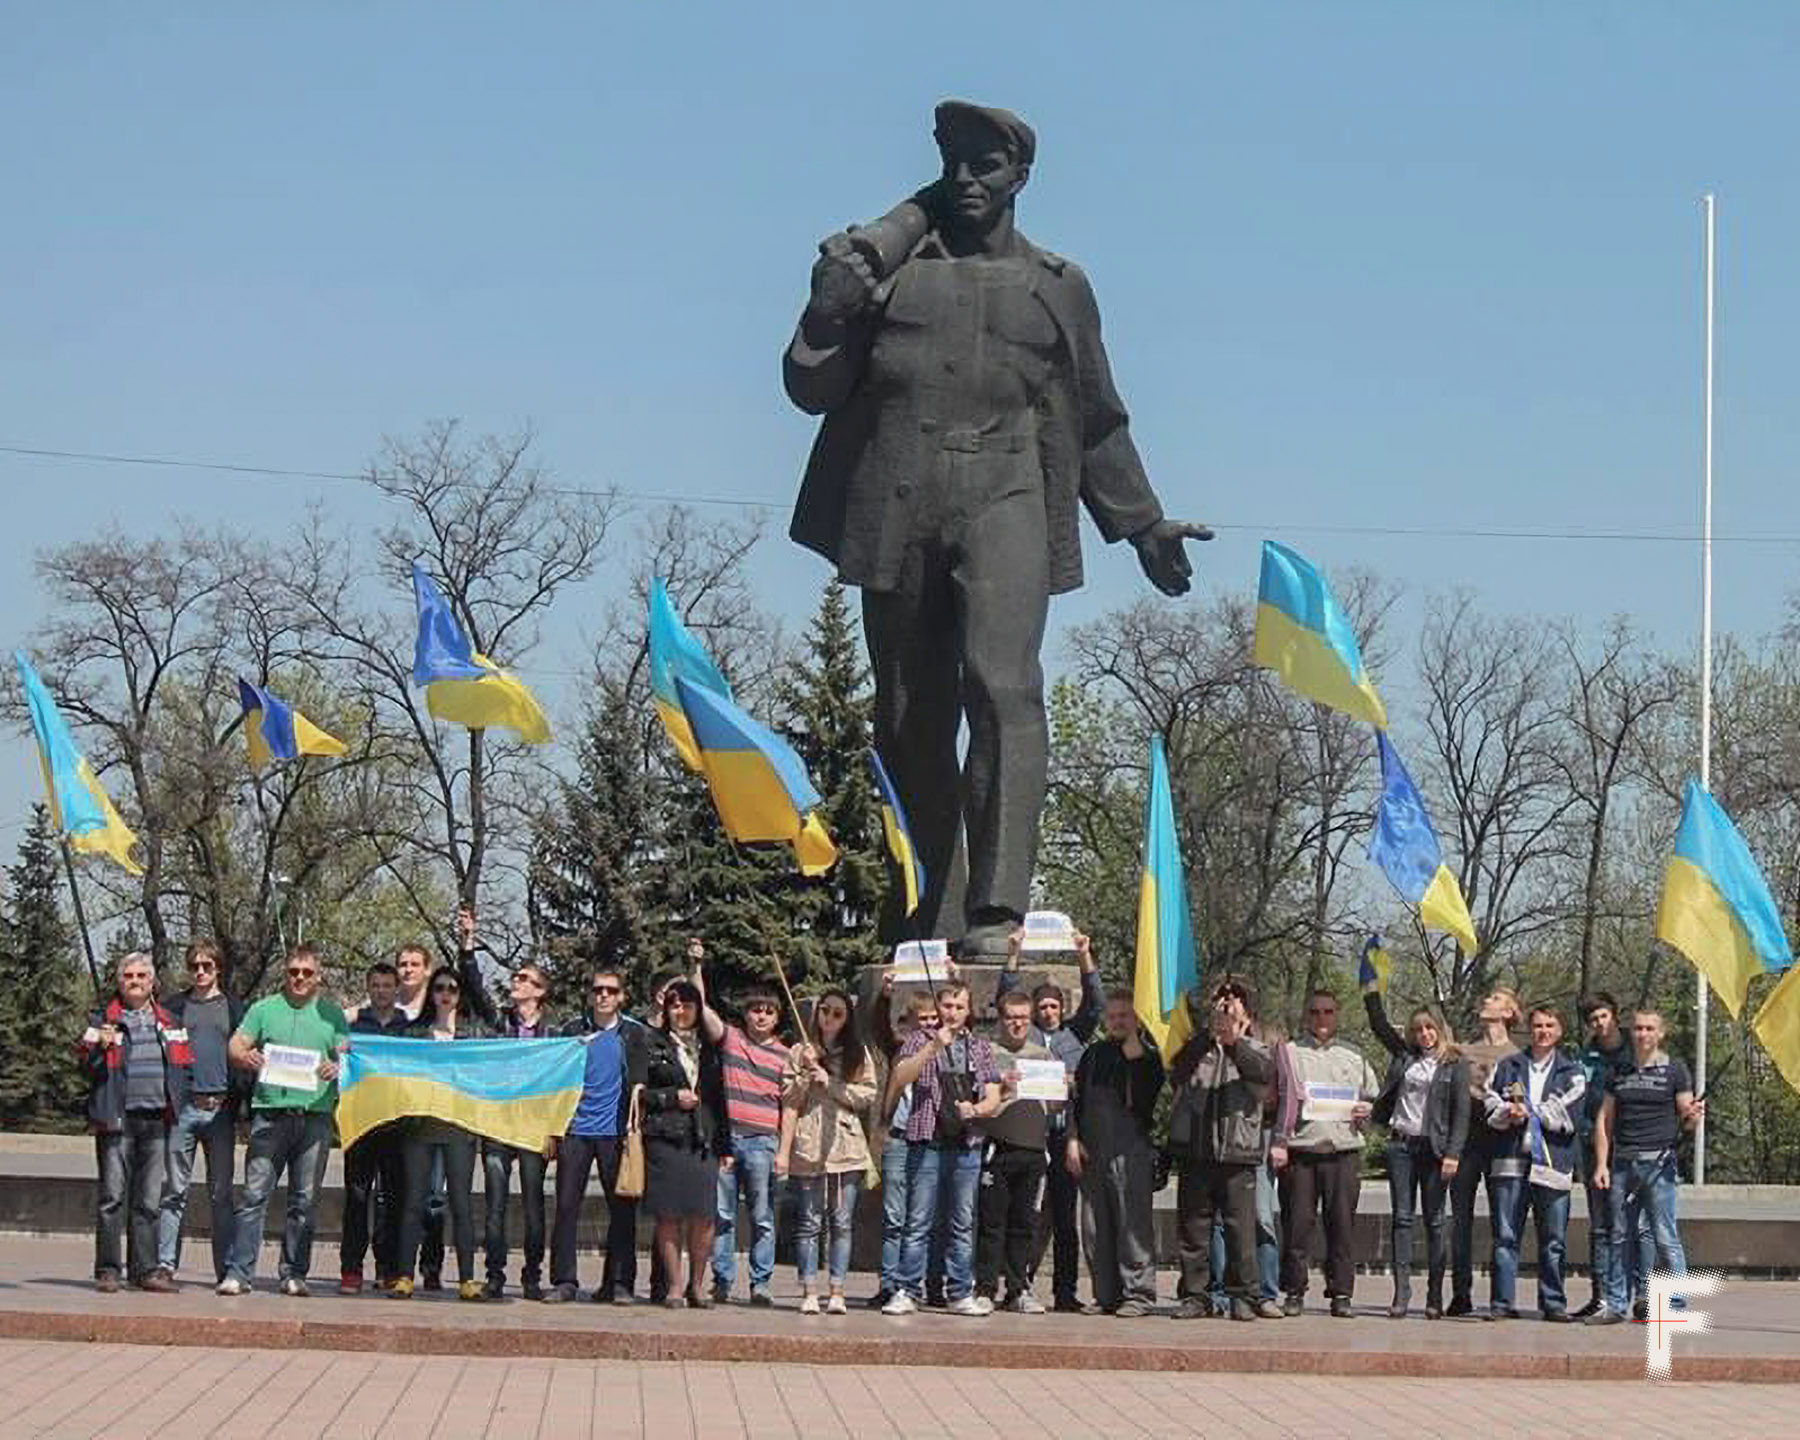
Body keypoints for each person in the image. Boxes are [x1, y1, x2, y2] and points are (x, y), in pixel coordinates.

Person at [783, 99, 1209, 957]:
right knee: (908, 713)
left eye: (988, 166)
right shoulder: (889, 271)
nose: (969, 181)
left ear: (1020, 177)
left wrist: (1142, 523)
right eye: (957, 164)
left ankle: (997, 907)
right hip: (897, 501)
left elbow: (1095, 420)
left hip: (1007, 494)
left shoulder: (1057, 286)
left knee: (1003, 684)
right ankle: (929, 909)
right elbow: (812, 389)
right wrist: (826, 313)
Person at [219, 945, 347, 1296]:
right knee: (253, 1195)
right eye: (293, 972)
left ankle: (294, 1272)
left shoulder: (332, 1014)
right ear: (284, 974)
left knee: (305, 1201)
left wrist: (337, 1067)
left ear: (318, 976)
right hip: (270, 1116)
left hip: (315, 1119)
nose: (299, 978)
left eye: (307, 972)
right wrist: (245, 1056)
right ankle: (239, 1272)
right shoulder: (263, 1009)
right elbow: (234, 1046)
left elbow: (348, 1056)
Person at [883, 981, 1003, 1316]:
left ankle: (960, 1291)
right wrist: (932, 1048)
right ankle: (907, 1289)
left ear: (968, 1012)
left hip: (966, 1143)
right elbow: (902, 1075)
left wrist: (977, 1110)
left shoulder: (979, 1047)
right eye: (946, 1006)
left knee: (962, 1222)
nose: (952, 1013)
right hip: (927, 1140)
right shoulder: (919, 1039)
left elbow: (993, 1093)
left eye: (959, 1007)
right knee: (918, 1220)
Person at [997, 927, 1102, 1311]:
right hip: (1026, 1136)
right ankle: (1017, 1286)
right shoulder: (1024, 1039)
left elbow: (1096, 1002)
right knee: (1024, 1216)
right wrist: (1013, 954)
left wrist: (1083, 955)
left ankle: (1065, 1291)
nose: (1047, 1012)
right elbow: (1004, 998)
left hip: (1064, 1137)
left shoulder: (1075, 1036)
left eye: (1053, 1006)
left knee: (1063, 1219)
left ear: (1062, 1008)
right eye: (1041, 1006)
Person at [80, 951, 192, 1293]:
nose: (135, 982)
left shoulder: (171, 1022)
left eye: (141, 976)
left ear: (152, 981)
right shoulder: (101, 1020)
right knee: (112, 1196)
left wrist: (179, 1100)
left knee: (148, 1200)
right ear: (119, 982)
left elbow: (184, 1066)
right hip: (117, 1120)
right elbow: (82, 1062)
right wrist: (98, 1045)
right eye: (128, 976)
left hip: (157, 1120)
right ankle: (109, 1269)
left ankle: (144, 1269)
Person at [1168, 978, 1279, 1322]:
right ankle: (1195, 1296)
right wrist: (1210, 1034)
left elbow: (1262, 1075)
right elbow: (1178, 1071)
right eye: (1221, 1001)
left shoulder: (1257, 1047)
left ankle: (1243, 1296)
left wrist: (1233, 1041)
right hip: (1197, 1150)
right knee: (1194, 1230)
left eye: (1234, 1002)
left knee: (1240, 1230)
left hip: (1239, 1151)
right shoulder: (1198, 1045)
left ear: (1247, 1010)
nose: (1227, 1008)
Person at [543, 964, 651, 1305]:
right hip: (575, 1130)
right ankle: (564, 1281)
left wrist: (634, 1128)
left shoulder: (633, 1034)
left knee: (622, 1209)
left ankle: (618, 1283)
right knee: (565, 1208)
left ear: (622, 997)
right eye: (598, 990)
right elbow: (555, 1081)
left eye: (611, 990)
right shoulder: (573, 1031)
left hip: (614, 1133)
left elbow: (639, 1083)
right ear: (589, 995)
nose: (603, 995)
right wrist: (553, 1128)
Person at [1590, 1009, 1703, 1326]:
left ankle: (1676, 1303)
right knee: (1619, 1235)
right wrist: (1602, 1164)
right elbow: (1605, 1121)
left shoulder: (1675, 1070)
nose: (1643, 1034)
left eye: (1649, 1028)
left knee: (1665, 1236)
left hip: (1659, 1164)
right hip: (1623, 1162)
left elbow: (1687, 1117)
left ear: (1660, 1033)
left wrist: (1693, 1116)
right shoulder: (1619, 1069)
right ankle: (1615, 1304)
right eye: (1638, 1028)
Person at [1365, 984, 1469, 1319]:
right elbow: (1380, 1025)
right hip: (1402, 1147)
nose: (1423, 1034)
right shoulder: (1405, 1057)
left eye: (1429, 1028)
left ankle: (1435, 1294)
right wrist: (1371, 988)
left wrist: (1453, 1153)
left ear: (1440, 1030)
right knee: (1402, 1219)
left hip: (1435, 1150)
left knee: (1436, 1221)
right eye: (1417, 1029)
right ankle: (1402, 1292)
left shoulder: (1454, 1063)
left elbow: (1461, 1113)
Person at [1275, 990, 1380, 1318]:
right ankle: (1294, 1290)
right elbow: (1276, 1100)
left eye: (1329, 1012)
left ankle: (1341, 1293)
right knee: (1297, 1225)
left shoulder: (1355, 1055)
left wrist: (1368, 1110)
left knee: (1342, 1226)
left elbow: (1373, 1101)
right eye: (1316, 1012)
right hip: (1301, 1152)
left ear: (1338, 1015)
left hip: (1343, 1152)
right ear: (1307, 1016)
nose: (1323, 1018)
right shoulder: (1290, 1053)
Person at [391, 964, 493, 1301]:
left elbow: (500, 1046)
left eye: (452, 988)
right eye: (439, 988)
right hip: (419, 1127)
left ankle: (466, 1279)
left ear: (460, 995)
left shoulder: (474, 1035)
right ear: (430, 994)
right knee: (413, 1202)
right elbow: (390, 1065)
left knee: (461, 1204)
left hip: (459, 1128)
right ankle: (405, 1275)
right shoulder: (413, 1035)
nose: (445, 994)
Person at [696, 945, 790, 1306]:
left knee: (762, 1217)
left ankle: (760, 1283)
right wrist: (696, 968)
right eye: (755, 1009)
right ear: (746, 1014)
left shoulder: (786, 1055)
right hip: (729, 1140)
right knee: (722, 1215)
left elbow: (793, 1104)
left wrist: (783, 1150)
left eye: (767, 1011)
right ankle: (722, 1280)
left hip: (764, 1141)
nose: (760, 1016)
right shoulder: (732, 1039)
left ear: (777, 1016)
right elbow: (703, 1010)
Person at [469, 925, 557, 1299]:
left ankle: (533, 1276)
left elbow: (559, 1088)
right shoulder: (499, 1023)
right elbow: (474, 989)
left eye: (525, 978)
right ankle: (494, 1276)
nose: (516, 982)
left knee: (534, 1207)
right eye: (515, 977)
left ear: (539, 991)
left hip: (534, 1128)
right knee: (495, 1205)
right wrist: (467, 945)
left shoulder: (554, 1032)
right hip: (498, 1126)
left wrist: (554, 1131)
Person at [776, 987, 877, 1315]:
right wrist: (806, 1073)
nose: (829, 1018)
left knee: (842, 1221)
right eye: (825, 1011)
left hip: (844, 1145)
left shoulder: (856, 1052)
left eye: (837, 1013)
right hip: (809, 1145)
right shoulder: (799, 1051)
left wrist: (830, 1082)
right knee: (808, 1221)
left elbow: (867, 1096)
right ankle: (808, 1289)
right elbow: (789, 1100)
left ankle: (837, 1290)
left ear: (847, 1019)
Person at [1067, 988, 1165, 1317]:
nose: (1117, 1021)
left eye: (1124, 1015)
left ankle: (1138, 1294)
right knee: (1096, 1227)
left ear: (1136, 1019)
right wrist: (1072, 1139)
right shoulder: (1092, 1054)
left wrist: (1135, 1048)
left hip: (1131, 1149)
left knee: (1132, 1225)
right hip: (1093, 1149)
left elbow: (1146, 1093)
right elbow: (1076, 1103)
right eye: (1112, 1016)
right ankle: (1105, 1294)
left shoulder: (1147, 1055)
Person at [1485, 1006, 1585, 1321]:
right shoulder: (1507, 1066)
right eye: (1538, 1025)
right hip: (1510, 1161)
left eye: (1549, 1025)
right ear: (1529, 1029)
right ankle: (1501, 1303)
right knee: (1505, 1235)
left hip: (1552, 1164)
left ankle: (1553, 1303)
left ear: (1559, 1031)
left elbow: (1569, 1114)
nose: (1543, 1030)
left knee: (1553, 1239)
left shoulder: (1573, 1072)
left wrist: (1528, 1111)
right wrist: (1506, 1113)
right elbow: (1489, 1101)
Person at [156, 940, 241, 1289]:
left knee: (221, 1194)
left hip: (221, 1110)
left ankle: (227, 1270)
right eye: (195, 966)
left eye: (207, 966)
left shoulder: (236, 1008)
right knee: (174, 1191)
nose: (201, 972)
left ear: (218, 967)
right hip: (184, 1109)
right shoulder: (174, 1007)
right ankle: (164, 1265)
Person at [642, 979, 730, 1308]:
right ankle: (675, 1286)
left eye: (688, 1005)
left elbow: (720, 1099)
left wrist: (726, 1147)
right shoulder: (652, 1043)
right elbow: (639, 1094)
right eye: (675, 1005)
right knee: (668, 1215)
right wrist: (670, 1098)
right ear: (666, 1009)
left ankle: (697, 1285)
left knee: (704, 1216)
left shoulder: (711, 1047)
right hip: (666, 1137)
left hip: (702, 1139)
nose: (681, 1012)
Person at [975, 989, 1058, 1312]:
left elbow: (1053, 1105)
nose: (1017, 1024)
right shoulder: (987, 1053)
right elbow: (984, 1102)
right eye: (1011, 1018)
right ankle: (984, 1288)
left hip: (1034, 1150)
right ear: (1000, 1020)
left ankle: (1018, 1289)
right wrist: (1005, 1089)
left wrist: (1061, 1088)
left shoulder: (1043, 1056)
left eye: (1023, 1018)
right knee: (992, 1222)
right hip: (998, 1149)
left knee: (1025, 1224)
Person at [1446, 986, 1521, 1316]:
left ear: (1509, 1012)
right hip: (1466, 1142)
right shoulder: (1462, 1051)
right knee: (1460, 1220)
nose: (1485, 1000)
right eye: (1486, 997)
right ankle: (1460, 1293)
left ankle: (1502, 1299)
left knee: (1503, 1223)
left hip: (1503, 1143)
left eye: (1493, 998)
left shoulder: (1518, 1055)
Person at [340, 961, 409, 1293]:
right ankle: (351, 1269)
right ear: (368, 989)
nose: (381, 991)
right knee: (356, 1197)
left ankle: (389, 1268)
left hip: (396, 1123)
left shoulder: (408, 1027)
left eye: (387, 985)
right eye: (375, 985)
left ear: (396, 989)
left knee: (393, 1198)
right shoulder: (354, 1026)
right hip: (361, 1122)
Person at [870, 984, 938, 1310]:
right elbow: (879, 1027)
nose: (927, 1024)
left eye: (932, 1018)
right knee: (893, 1217)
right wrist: (884, 995)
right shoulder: (899, 1046)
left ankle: (914, 1284)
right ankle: (888, 1282)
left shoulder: (944, 1048)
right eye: (921, 1018)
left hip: (928, 1141)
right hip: (897, 1137)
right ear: (908, 1022)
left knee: (920, 1218)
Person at [1575, 992, 1642, 1319]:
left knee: (1638, 1225)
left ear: (1614, 1014)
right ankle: (1601, 1296)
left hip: (1634, 1144)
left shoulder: (1638, 1047)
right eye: (1593, 1020)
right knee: (1601, 1225)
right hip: (1594, 1145)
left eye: (1604, 1016)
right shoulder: (1585, 1056)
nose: (1600, 1024)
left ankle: (1643, 1295)